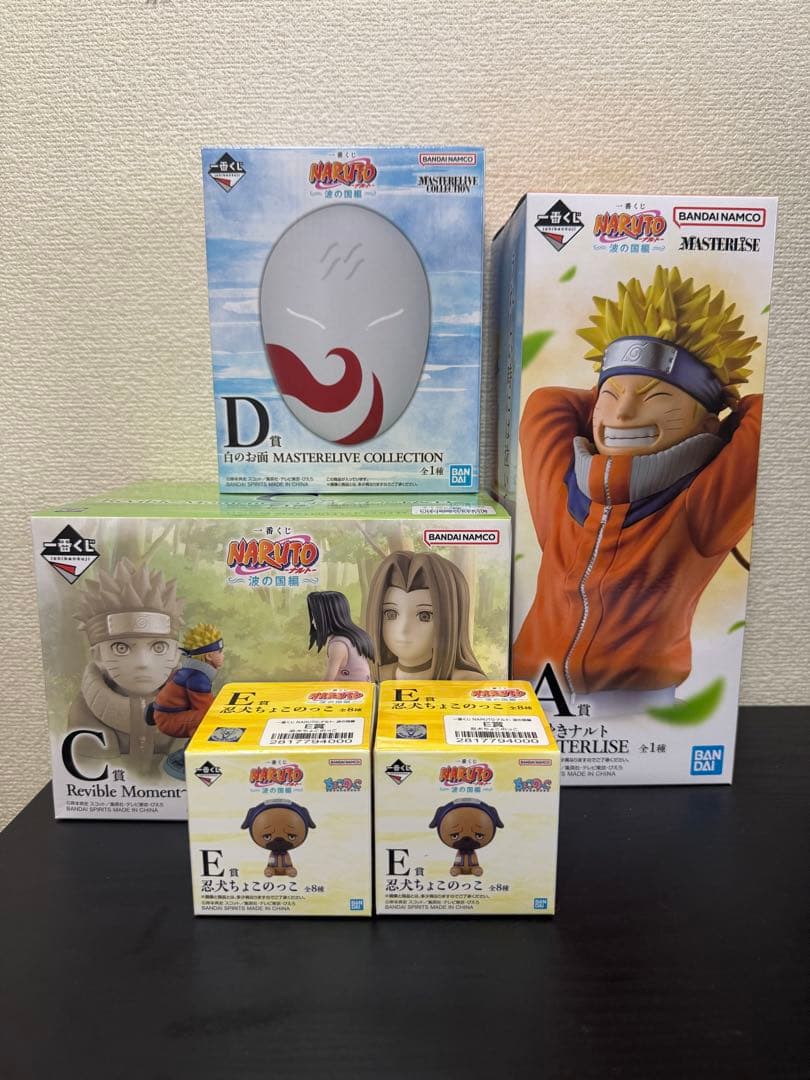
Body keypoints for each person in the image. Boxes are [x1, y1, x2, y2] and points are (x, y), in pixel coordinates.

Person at [514, 266, 762, 716]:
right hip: (530, 688)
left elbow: (765, 417)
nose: (623, 413)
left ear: (709, 424)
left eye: (656, 398)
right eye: (611, 395)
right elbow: (545, 403)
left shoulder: (704, 506)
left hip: (633, 708)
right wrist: (623, 374)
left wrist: (714, 430)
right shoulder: (564, 488)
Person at [68, 558, 184, 776]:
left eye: (159, 647)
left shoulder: (191, 708)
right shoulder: (85, 710)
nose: (143, 663)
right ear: (97, 656)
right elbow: (90, 775)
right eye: (121, 648)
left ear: (176, 654)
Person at [366, 551, 485, 680]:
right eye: (391, 614)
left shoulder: (467, 682)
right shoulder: (372, 677)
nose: (403, 629)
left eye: (425, 616)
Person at [152, 623, 225, 779]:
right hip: (169, 720)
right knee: (208, 719)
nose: (223, 656)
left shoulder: (190, 672)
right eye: (220, 652)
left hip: (167, 714)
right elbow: (206, 710)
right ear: (209, 656)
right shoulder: (197, 678)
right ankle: (190, 757)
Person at [307, 591, 373, 681]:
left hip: (351, 689)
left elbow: (327, 681)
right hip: (359, 688)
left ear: (329, 617)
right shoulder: (350, 638)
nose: (313, 622)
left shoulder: (338, 645)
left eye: (316, 617)